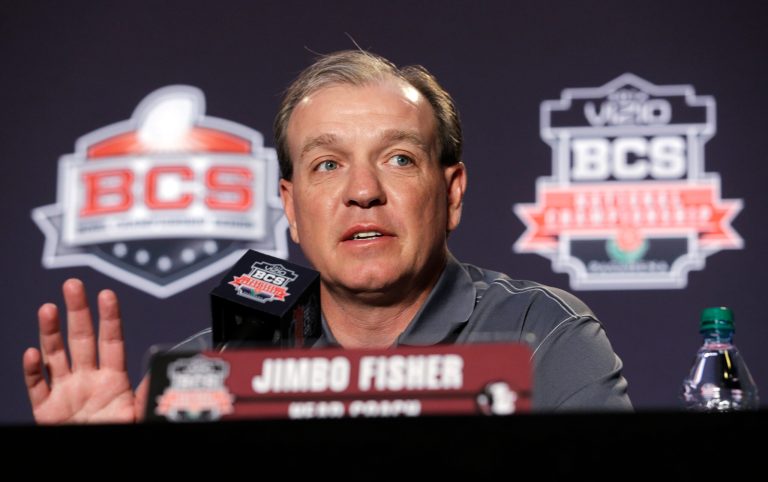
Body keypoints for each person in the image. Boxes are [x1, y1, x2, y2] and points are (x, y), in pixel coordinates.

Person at [22, 50, 632, 423]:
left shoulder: (544, 336)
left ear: (452, 194)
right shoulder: (213, 369)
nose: (361, 191)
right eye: (327, 164)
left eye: (398, 159)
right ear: (290, 205)